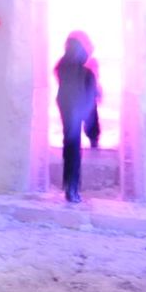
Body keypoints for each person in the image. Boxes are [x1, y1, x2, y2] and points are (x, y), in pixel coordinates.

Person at [53, 32, 100, 203]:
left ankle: (70, 186)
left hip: (67, 107)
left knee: (70, 145)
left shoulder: (61, 66)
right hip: (77, 108)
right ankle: (72, 188)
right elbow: (91, 99)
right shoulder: (86, 73)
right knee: (73, 148)